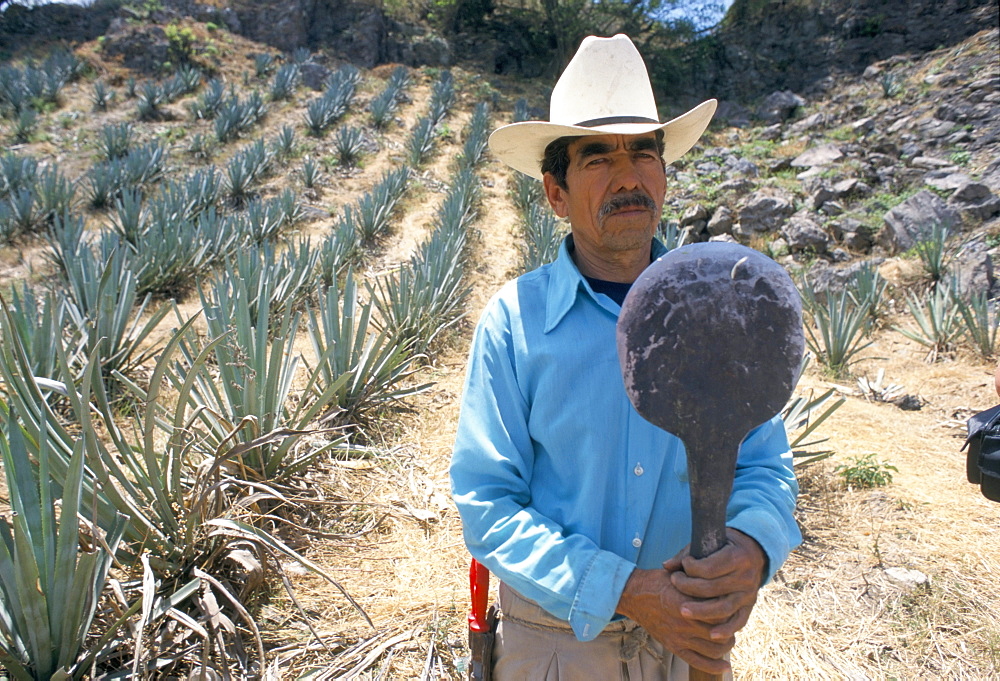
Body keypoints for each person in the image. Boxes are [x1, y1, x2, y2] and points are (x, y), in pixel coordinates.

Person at [450, 34, 801, 680]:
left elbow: (766, 469)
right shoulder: (515, 325)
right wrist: (628, 590)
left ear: (664, 176)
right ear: (555, 194)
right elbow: (488, 505)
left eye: (644, 151)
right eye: (597, 158)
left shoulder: (722, 313)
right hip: (554, 646)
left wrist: (751, 547)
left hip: (688, 647)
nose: (627, 175)